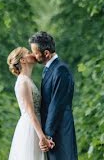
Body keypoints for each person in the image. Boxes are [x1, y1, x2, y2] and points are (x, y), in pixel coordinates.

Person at [29, 31, 78, 160]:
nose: (33, 56)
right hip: (53, 129)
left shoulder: (61, 70)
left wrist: (48, 135)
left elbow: (57, 104)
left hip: (60, 130)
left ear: (46, 53)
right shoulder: (50, 69)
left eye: (35, 52)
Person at [6, 47, 49, 160]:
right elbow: (30, 113)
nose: (32, 54)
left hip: (36, 125)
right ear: (23, 60)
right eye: (28, 53)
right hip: (31, 128)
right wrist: (41, 137)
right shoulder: (22, 82)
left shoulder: (27, 80)